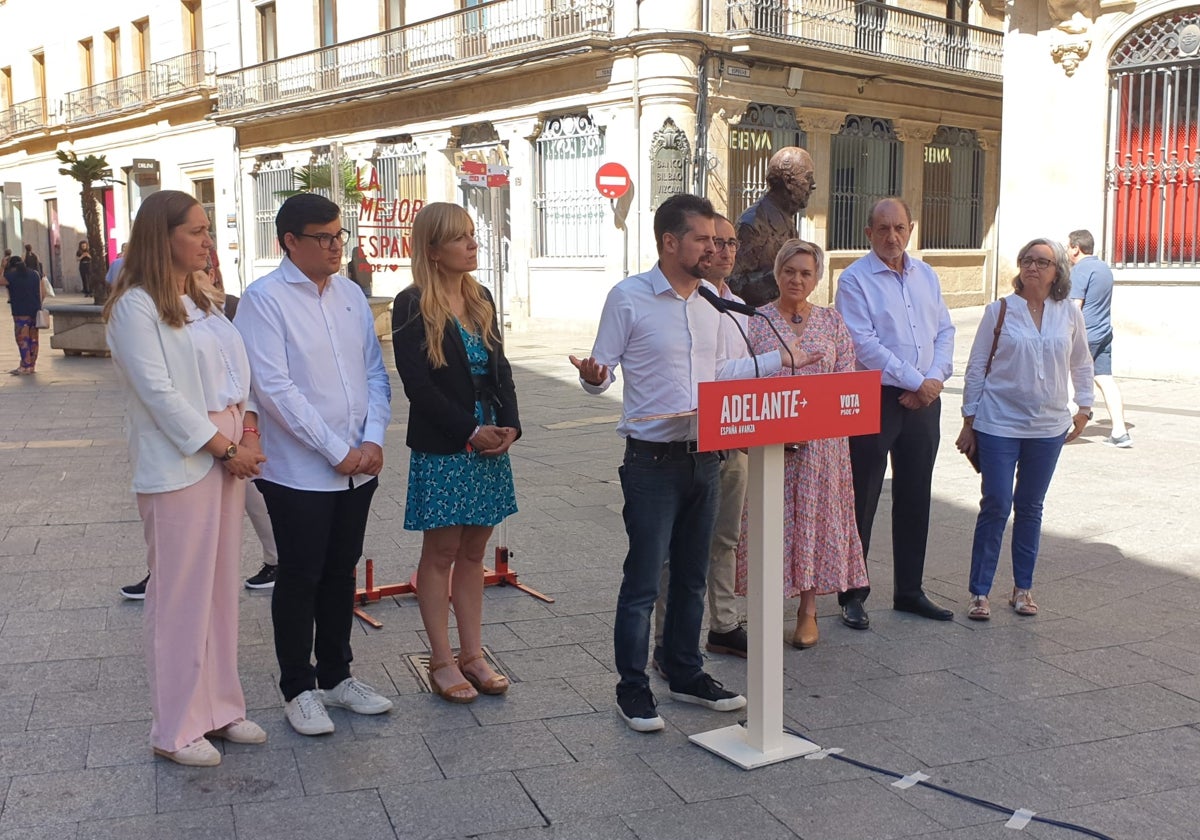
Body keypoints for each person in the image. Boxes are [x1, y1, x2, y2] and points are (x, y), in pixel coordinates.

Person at [570, 193, 821, 733]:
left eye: (715, 239)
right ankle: (632, 687)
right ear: (669, 242)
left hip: (706, 455)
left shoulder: (712, 299)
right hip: (652, 461)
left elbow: (723, 372)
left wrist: (782, 358)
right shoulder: (629, 297)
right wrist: (594, 378)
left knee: (690, 577)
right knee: (644, 581)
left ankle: (685, 672)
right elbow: (603, 372)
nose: (714, 248)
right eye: (703, 239)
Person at [102, 189, 268, 767]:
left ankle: (220, 707)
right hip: (183, 461)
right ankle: (174, 726)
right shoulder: (135, 307)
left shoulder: (201, 299)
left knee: (220, 588)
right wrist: (226, 448)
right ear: (161, 235)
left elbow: (236, 371)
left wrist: (248, 429)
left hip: (226, 454)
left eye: (206, 230)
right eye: (195, 230)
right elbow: (160, 396)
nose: (207, 240)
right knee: (179, 597)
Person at [235, 193, 393, 736]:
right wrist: (335, 449)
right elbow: (273, 388)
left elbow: (374, 371)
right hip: (298, 470)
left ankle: (336, 675)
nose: (335, 247)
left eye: (339, 236)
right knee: (300, 575)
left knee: (341, 571)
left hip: (357, 466)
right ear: (290, 242)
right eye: (323, 238)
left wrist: (371, 439)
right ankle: (297, 688)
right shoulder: (265, 300)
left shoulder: (350, 294)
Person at [392, 202, 519, 704]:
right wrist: (469, 430)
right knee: (441, 553)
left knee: (474, 553)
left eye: (472, 234)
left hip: (490, 445)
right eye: (461, 238)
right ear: (432, 250)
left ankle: (473, 654)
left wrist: (510, 426)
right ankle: (441, 660)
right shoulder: (411, 303)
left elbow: (501, 370)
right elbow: (417, 387)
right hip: (447, 446)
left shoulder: (481, 297)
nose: (473, 244)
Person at [736, 240, 868, 648]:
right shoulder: (755, 320)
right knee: (768, 524)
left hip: (821, 447)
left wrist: (816, 423)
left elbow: (847, 380)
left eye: (805, 272)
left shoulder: (832, 323)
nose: (796, 279)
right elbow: (743, 378)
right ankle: (767, 607)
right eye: (789, 270)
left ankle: (807, 611)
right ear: (777, 273)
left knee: (814, 521)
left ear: (817, 279)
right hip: (771, 442)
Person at [834, 197, 956, 626]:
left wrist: (934, 380)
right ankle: (853, 593)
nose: (892, 237)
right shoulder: (854, 280)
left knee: (915, 493)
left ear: (910, 229)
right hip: (876, 397)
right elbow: (862, 344)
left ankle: (910, 590)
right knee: (862, 495)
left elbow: (945, 329)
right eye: (883, 229)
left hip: (925, 399)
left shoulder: (925, 275)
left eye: (900, 228)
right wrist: (914, 381)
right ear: (869, 233)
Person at [956, 239, 1093, 619]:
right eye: (1027, 260)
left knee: (1030, 507)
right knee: (997, 502)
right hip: (998, 422)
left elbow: (1082, 363)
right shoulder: (999, 311)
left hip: (1048, 426)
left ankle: (1022, 589)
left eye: (1043, 262)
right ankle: (980, 592)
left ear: (1057, 272)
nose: (1033, 267)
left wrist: (1084, 408)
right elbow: (976, 364)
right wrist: (970, 418)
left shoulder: (1068, 314)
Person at [649, 213, 750, 666]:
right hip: (688, 442)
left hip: (735, 442)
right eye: (713, 241)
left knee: (725, 539)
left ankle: (724, 625)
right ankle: (665, 641)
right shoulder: (682, 302)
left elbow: (741, 374)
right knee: (677, 551)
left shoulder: (740, 306)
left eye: (730, 243)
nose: (722, 251)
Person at [727, 147, 817, 307]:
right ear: (789, 182)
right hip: (759, 321)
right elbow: (734, 284)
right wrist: (782, 274)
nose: (813, 185)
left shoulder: (786, 217)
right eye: (808, 178)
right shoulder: (753, 223)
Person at [1067, 229, 1130, 448]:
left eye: (1068, 246)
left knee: (1066, 378)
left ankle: (1061, 429)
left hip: (1085, 334)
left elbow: (1075, 306)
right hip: (1104, 332)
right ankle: (1120, 432)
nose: (1067, 250)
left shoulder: (1080, 270)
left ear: (1076, 248)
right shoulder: (1104, 268)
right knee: (1105, 379)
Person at [3, 256, 45, 375]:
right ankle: (31, 365)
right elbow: (44, 291)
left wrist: (2, 266)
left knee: (22, 338)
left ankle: (25, 365)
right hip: (34, 311)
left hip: (20, 312)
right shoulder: (35, 274)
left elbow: (1, 280)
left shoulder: (11, 276)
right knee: (33, 339)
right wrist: (38, 303)